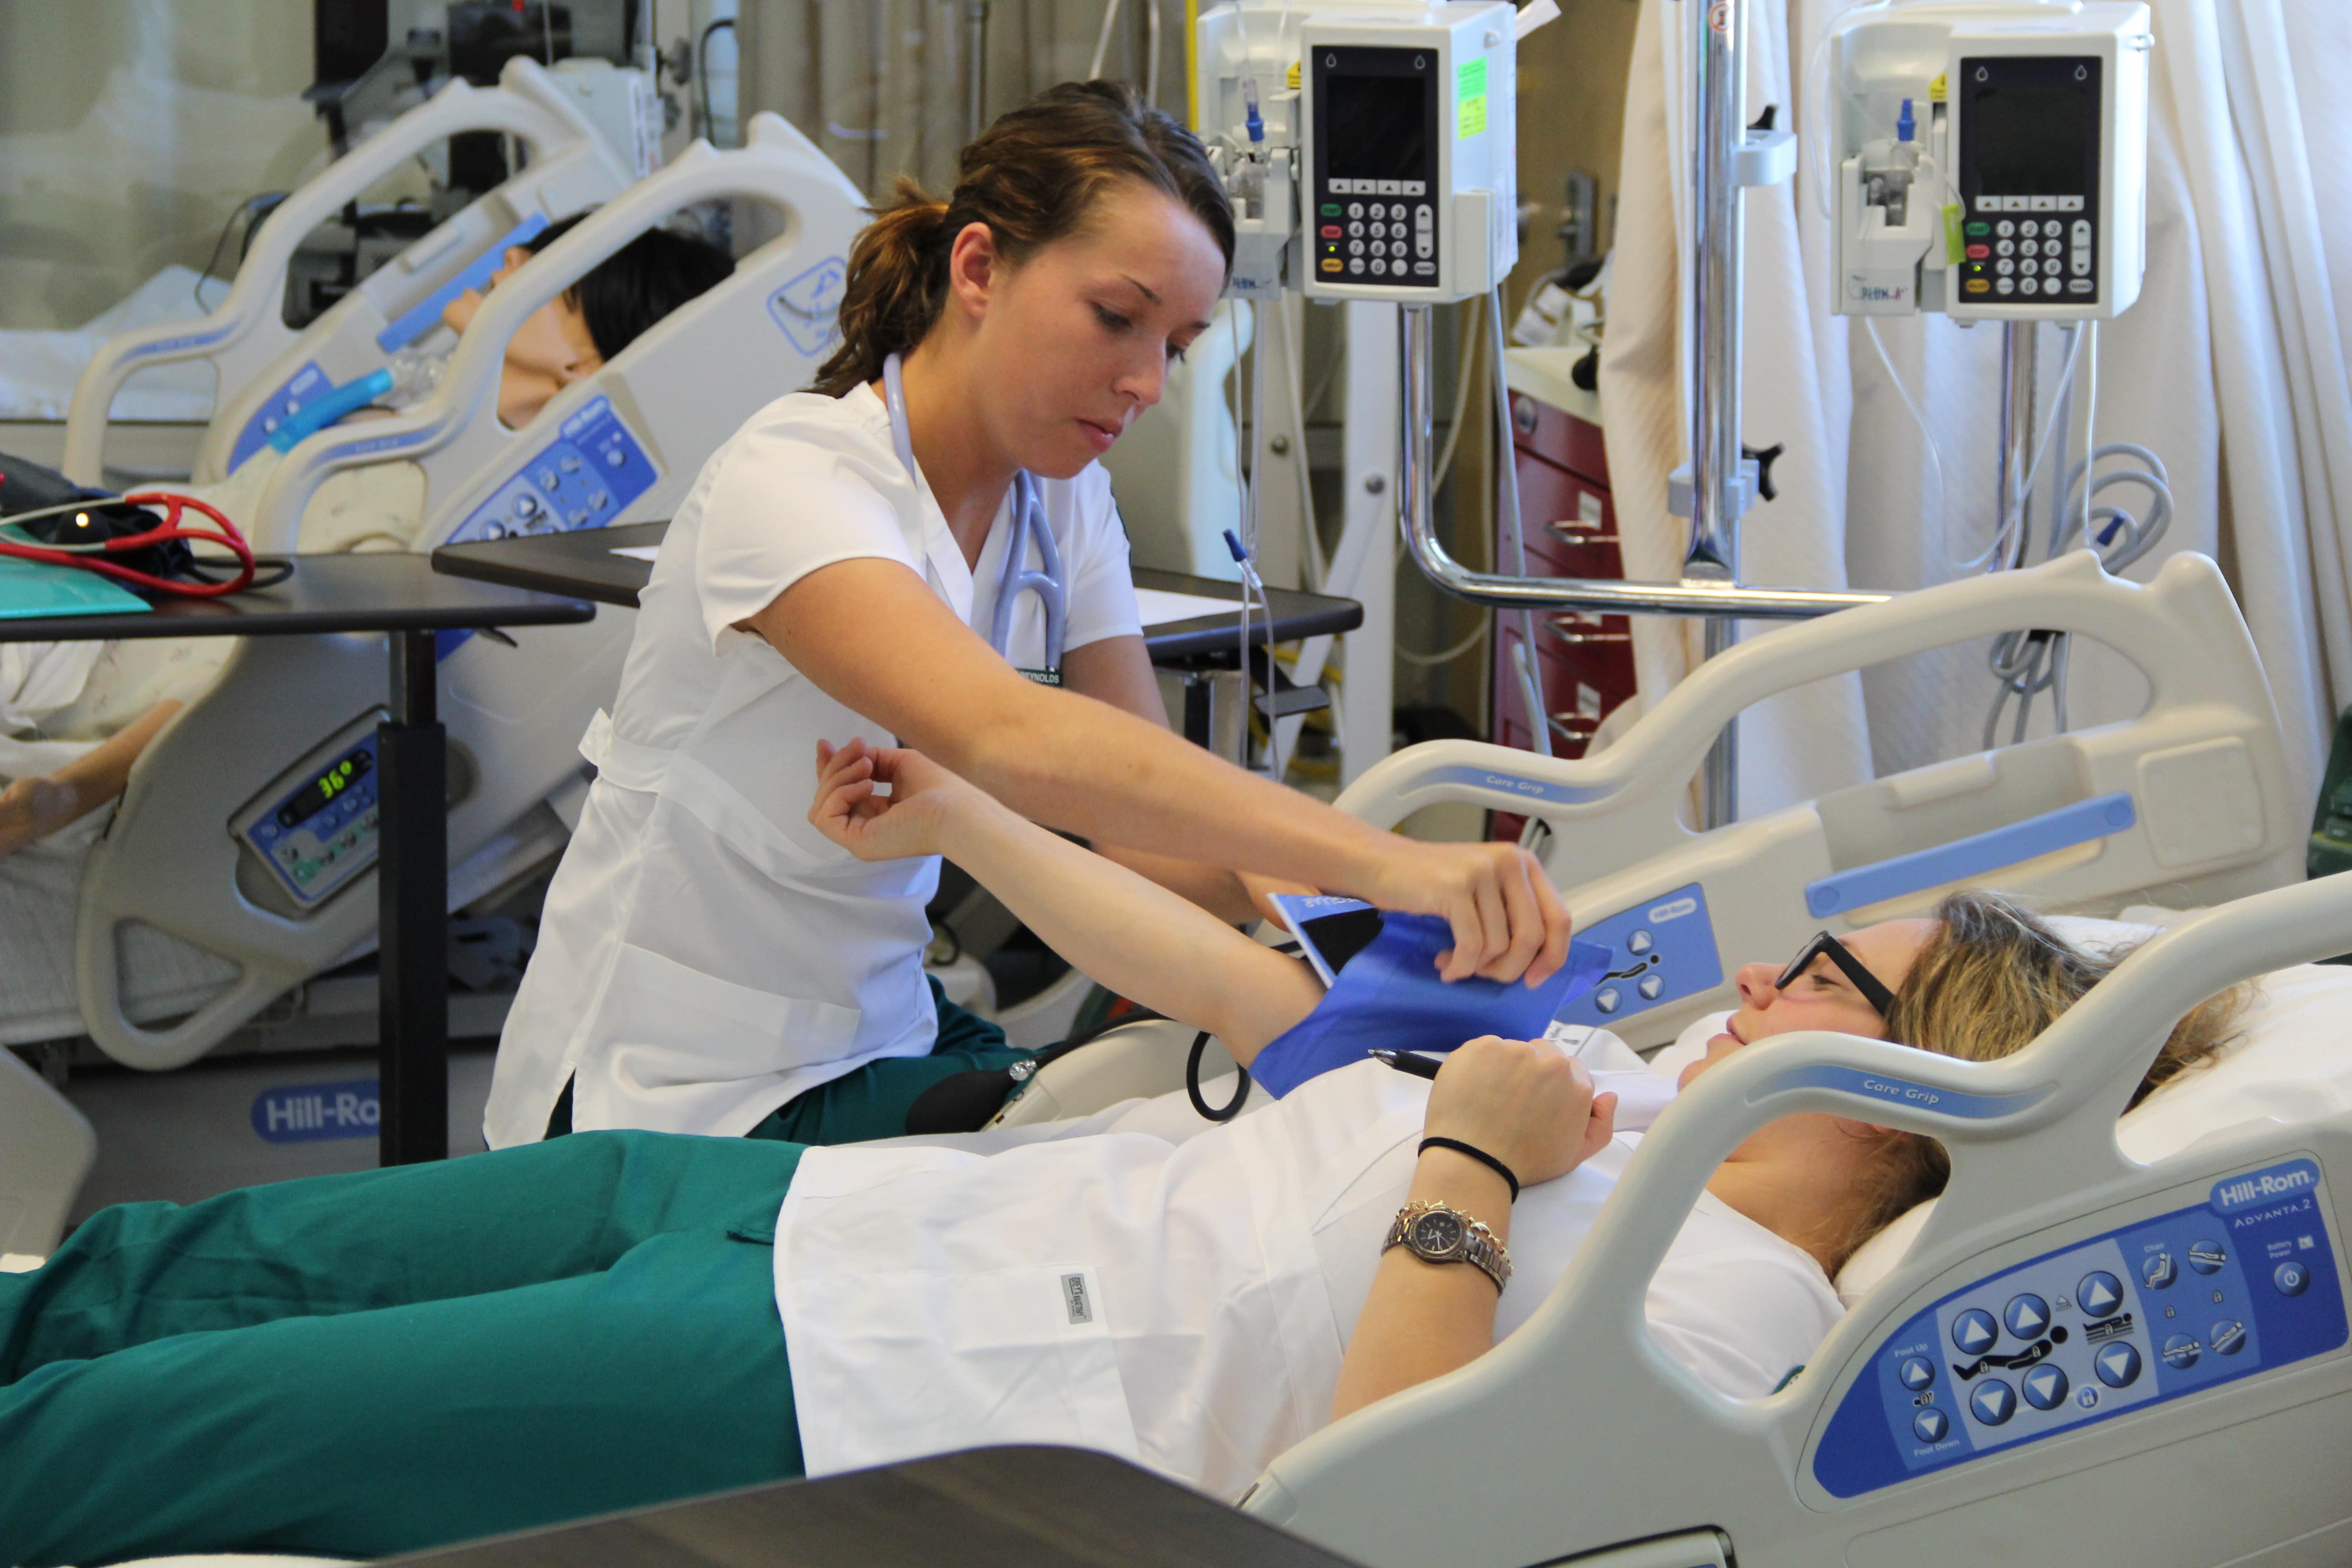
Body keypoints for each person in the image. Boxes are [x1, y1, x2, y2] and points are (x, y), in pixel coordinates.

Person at [0, 741, 2245, 1564]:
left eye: (1812, 985)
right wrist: (969, 816)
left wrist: (1467, 1158)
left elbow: (1380, 1513)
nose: (1747, 991)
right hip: (821, 1211)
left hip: (860, 1388)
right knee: (204, 1267)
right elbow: (1264, 1009)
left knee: (162, 1431)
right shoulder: (1630, 1088)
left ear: (1915, 1089)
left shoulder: (1736, 1317)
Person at [482, 80, 1572, 1152]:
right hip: (675, 1084)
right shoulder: (798, 479)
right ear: (978, 268)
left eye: (1178, 346)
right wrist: (1385, 859)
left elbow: (1129, 825)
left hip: (878, 1027)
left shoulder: (1060, 501)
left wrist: (1304, 898)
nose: (1148, 382)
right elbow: (1007, 737)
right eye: (1117, 318)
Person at [0, 216, 735, 859]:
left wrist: (72, 791)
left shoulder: (439, 507)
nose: (511, 258)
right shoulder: (407, 432)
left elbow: (272, 677)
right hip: (87, 563)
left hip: (91, 629)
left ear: (583, 365)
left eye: (544, 267)